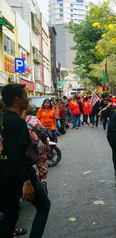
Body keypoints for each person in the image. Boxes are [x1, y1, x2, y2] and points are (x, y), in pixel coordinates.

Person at [0, 84, 51, 238]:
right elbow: (16, 154)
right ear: (17, 99)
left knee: (10, 216)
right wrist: (27, 181)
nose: (27, 99)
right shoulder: (17, 123)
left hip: (4, 174)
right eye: (25, 96)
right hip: (19, 176)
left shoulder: (4, 118)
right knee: (44, 206)